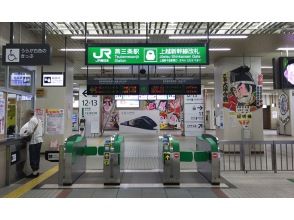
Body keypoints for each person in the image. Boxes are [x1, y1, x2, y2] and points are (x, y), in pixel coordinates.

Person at [20, 109, 43, 178]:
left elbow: (29, 131)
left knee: (33, 157)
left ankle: (34, 173)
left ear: (29, 114)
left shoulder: (32, 120)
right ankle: (36, 171)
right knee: (37, 156)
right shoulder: (38, 120)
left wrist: (22, 135)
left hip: (34, 141)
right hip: (39, 140)